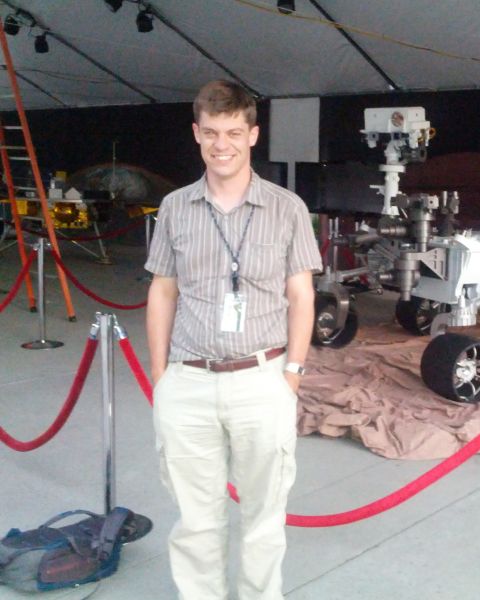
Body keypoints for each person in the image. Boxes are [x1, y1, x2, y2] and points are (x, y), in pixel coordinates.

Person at [145, 80, 322, 600]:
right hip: (189, 381)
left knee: (264, 521)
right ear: (196, 134)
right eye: (211, 133)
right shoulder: (175, 207)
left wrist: (292, 374)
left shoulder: (288, 208)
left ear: (253, 135)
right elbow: (162, 291)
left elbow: (302, 296)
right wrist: (161, 376)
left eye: (233, 133)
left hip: (262, 379)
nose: (222, 145)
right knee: (195, 522)